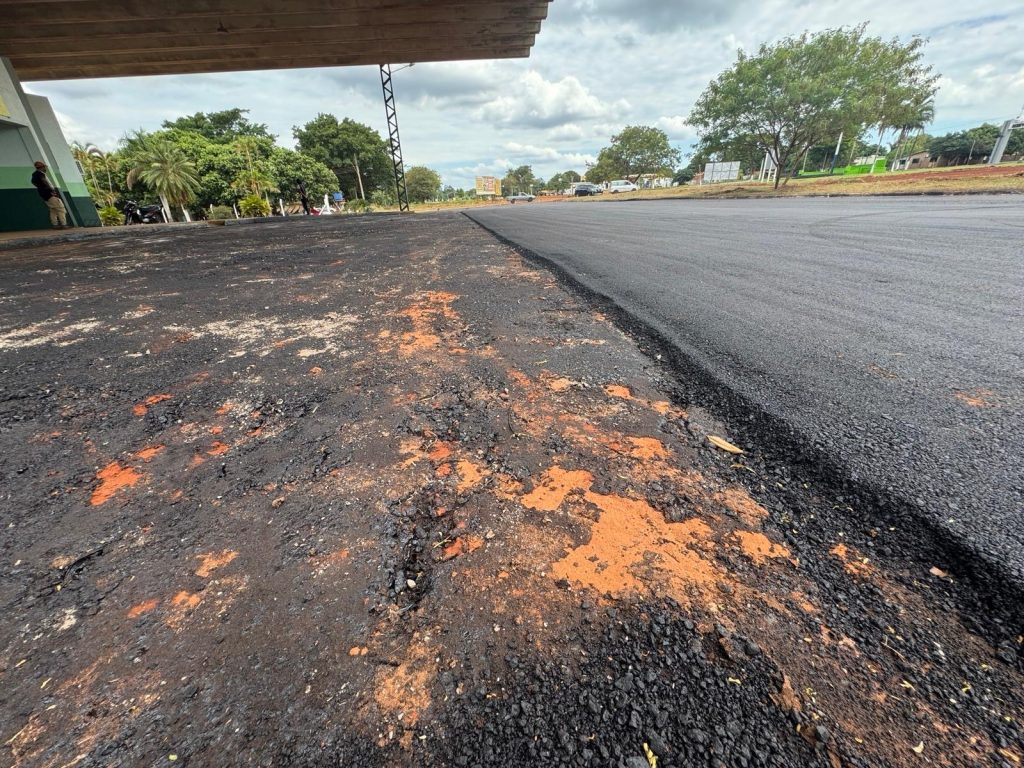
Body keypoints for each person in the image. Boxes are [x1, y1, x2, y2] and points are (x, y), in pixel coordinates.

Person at [31, 160, 68, 229]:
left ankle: (55, 225)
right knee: (60, 208)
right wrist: (51, 191)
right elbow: (44, 182)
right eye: (44, 167)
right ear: (41, 167)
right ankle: (64, 224)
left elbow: (33, 182)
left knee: (53, 210)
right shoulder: (40, 174)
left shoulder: (34, 175)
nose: (45, 169)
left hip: (44, 194)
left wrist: (41, 188)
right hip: (49, 193)